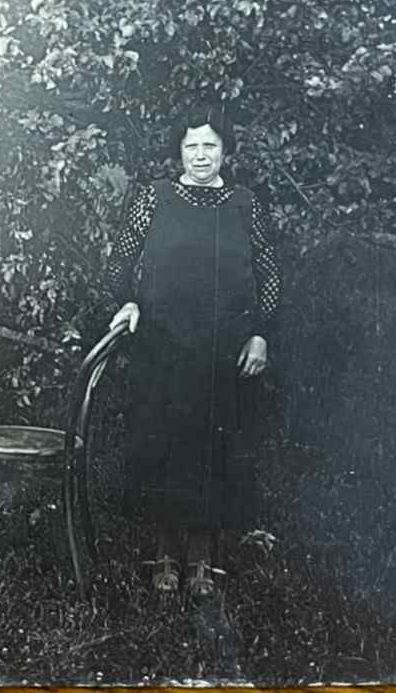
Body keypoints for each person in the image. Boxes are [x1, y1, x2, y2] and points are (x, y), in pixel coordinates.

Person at [106, 104, 281, 599]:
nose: (201, 155)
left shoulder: (245, 204)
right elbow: (120, 261)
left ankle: (203, 555)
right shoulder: (155, 197)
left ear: (225, 150)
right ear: (179, 151)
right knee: (163, 443)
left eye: (210, 145)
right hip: (162, 344)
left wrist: (260, 333)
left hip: (224, 348)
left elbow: (269, 272)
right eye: (191, 146)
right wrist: (127, 302)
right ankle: (165, 551)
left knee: (213, 448)